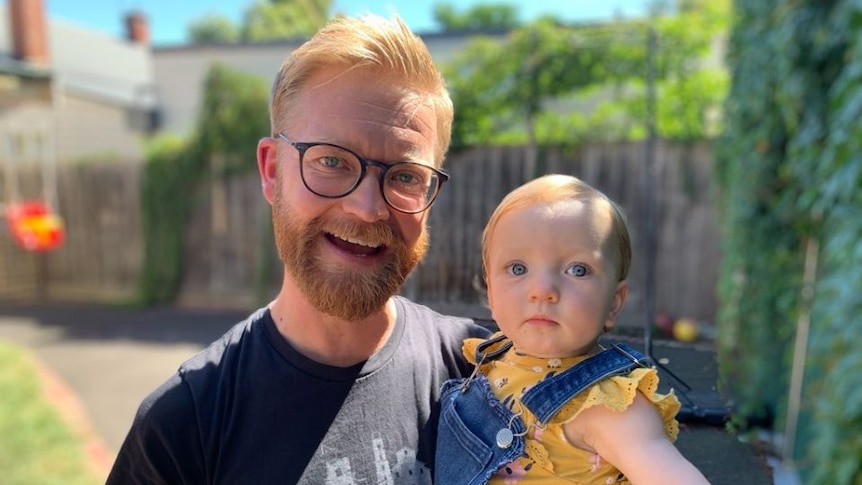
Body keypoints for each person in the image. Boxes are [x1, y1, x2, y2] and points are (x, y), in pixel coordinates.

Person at [107, 14, 489, 484]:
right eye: (331, 160)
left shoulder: (485, 374)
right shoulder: (183, 427)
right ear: (271, 171)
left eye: (406, 176)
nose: (368, 208)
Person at [435, 174, 710, 484]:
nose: (541, 290)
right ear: (491, 294)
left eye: (577, 270)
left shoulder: (608, 406)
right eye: (517, 268)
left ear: (614, 303)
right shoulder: (489, 357)